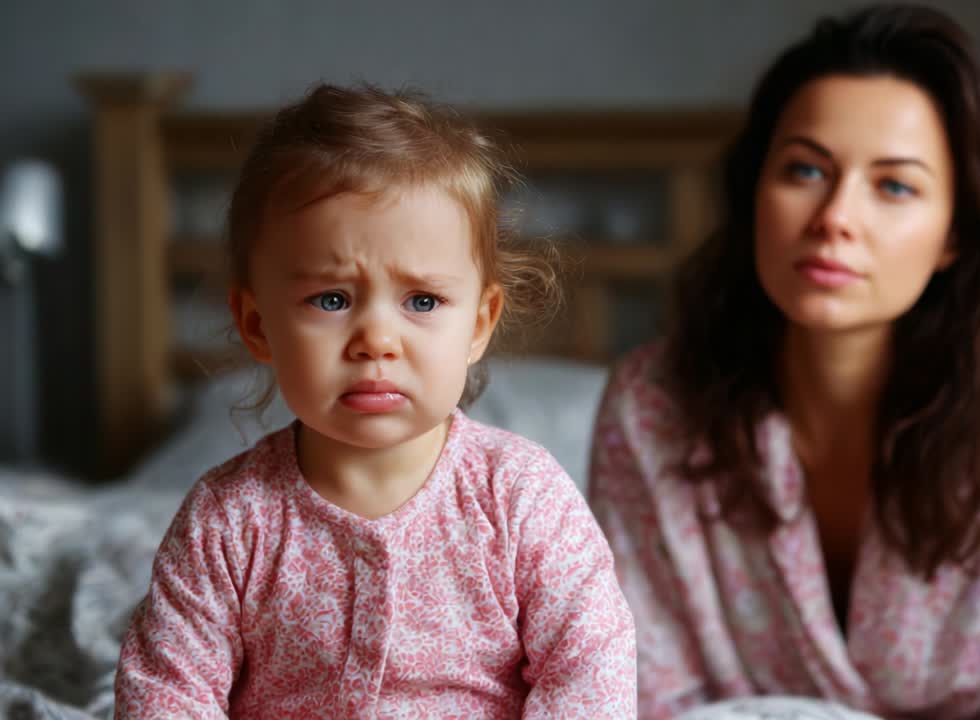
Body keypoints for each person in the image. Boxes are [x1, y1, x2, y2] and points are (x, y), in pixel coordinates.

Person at [587, 4, 980, 718]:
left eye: (894, 185)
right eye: (804, 169)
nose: (834, 217)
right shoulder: (651, 405)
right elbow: (642, 692)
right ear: (754, 192)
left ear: (954, 234)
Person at [115, 82, 636, 718]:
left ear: (478, 323)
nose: (376, 341)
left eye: (422, 301)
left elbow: (590, 671)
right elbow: (167, 693)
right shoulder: (227, 521)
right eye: (331, 299)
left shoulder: (521, 498)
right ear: (257, 326)